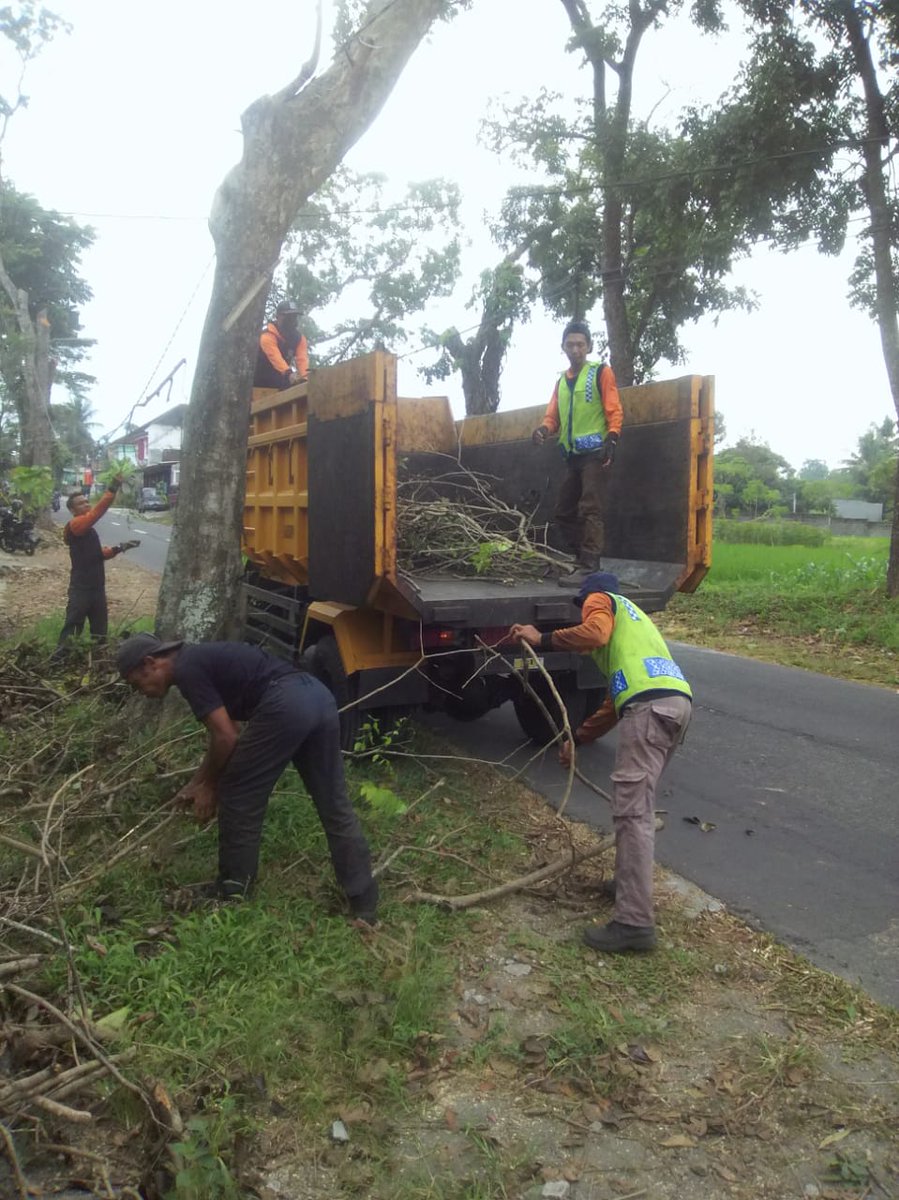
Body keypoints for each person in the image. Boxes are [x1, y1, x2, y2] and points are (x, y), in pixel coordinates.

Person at [116, 632, 380, 922]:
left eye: (136, 683)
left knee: (238, 794)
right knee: (334, 803)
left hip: (288, 704)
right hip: (318, 697)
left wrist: (209, 785)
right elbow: (227, 732)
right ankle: (363, 903)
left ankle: (233, 891)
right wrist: (200, 781)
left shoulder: (187, 670)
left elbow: (226, 736)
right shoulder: (202, 657)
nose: (141, 691)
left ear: (150, 663)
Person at [507, 571, 692, 954]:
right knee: (637, 809)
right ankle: (627, 887)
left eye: (584, 607)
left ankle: (634, 924)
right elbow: (612, 703)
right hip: (675, 705)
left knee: (632, 815)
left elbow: (594, 633)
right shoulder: (637, 619)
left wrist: (540, 638)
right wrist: (576, 738)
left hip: (649, 708)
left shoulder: (600, 599)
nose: (584, 614)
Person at [532, 321, 623, 586]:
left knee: (590, 508)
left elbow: (614, 409)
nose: (576, 349)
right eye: (570, 344)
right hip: (573, 457)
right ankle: (581, 558)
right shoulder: (561, 382)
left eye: (580, 344)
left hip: (596, 452)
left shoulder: (600, 373)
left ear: (589, 347)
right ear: (563, 347)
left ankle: (589, 566)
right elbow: (553, 416)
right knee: (563, 511)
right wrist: (542, 429)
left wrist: (613, 438)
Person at [53, 475, 139, 655]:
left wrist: (120, 548)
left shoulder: (87, 528)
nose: (86, 505)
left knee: (100, 631)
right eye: (81, 503)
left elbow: (97, 555)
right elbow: (97, 513)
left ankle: (98, 662)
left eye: (86, 502)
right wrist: (112, 488)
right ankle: (59, 661)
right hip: (81, 588)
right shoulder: (76, 524)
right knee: (73, 626)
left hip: (97, 588)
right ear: (72, 510)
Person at [254, 299, 309, 390]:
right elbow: (275, 357)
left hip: (281, 380)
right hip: (260, 382)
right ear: (278, 316)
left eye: (294, 316)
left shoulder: (299, 339)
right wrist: (289, 374)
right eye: (288, 316)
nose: (292, 320)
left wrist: (305, 378)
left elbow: (302, 360)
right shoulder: (267, 336)